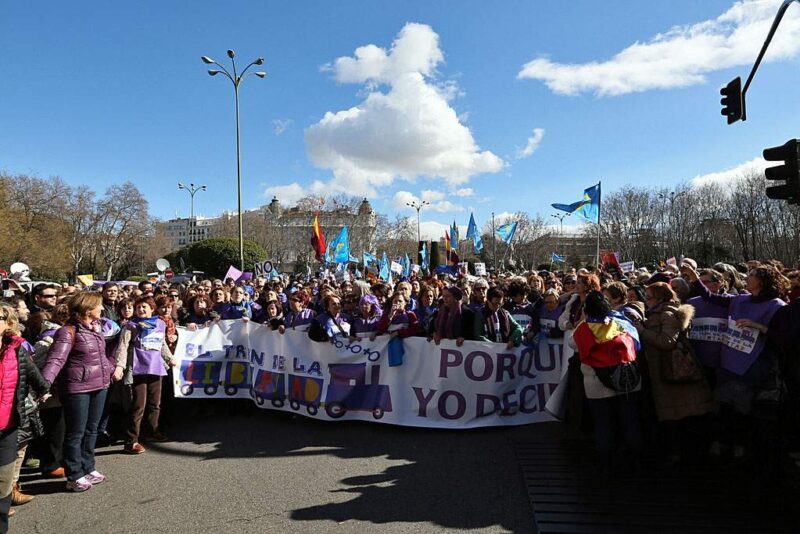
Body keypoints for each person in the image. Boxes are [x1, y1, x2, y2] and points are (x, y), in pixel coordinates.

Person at [681, 264, 786, 460]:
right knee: (723, 405)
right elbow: (712, 298)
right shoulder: (741, 299)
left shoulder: (777, 306)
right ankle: (721, 441)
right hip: (728, 361)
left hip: (753, 365)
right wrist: (695, 279)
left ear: (762, 281)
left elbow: (782, 338)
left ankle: (741, 444)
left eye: (752, 275)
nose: (747, 277)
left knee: (743, 408)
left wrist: (757, 326)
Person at [41, 292, 111, 492]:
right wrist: (45, 383)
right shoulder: (67, 331)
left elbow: (100, 357)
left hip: (100, 385)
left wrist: (111, 368)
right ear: (88, 310)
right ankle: (74, 474)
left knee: (92, 430)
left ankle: (88, 467)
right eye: (99, 306)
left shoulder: (97, 329)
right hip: (77, 388)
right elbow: (56, 360)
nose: (102, 309)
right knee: (76, 433)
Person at [638, 282, 713, 463]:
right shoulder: (657, 313)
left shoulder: (667, 314)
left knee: (678, 415)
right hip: (662, 371)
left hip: (671, 371)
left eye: (649, 297)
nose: (646, 301)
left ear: (660, 297)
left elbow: (667, 342)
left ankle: (680, 453)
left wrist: (643, 331)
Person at [570, 291, 642, 473]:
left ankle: (605, 462)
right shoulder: (621, 324)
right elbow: (637, 344)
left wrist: (583, 320)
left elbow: (573, 344)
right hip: (626, 381)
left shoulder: (583, 329)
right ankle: (634, 459)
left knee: (603, 423)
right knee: (629, 420)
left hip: (597, 385)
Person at [0, 303, 50, 527]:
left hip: (8, 425)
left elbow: (32, 372)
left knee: (3, 480)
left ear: (8, 323)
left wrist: (43, 389)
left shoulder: (16, 348)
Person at [112, 297, 176, 454]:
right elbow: (122, 346)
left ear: (152, 309)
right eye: (138, 307)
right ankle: (131, 441)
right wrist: (119, 367)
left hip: (156, 367)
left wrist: (169, 358)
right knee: (138, 405)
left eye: (144, 307)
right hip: (138, 368)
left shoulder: (160, 324)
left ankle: (152, 432)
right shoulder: (131, 326)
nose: (141, 310)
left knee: (155, 403)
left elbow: (162, 344)